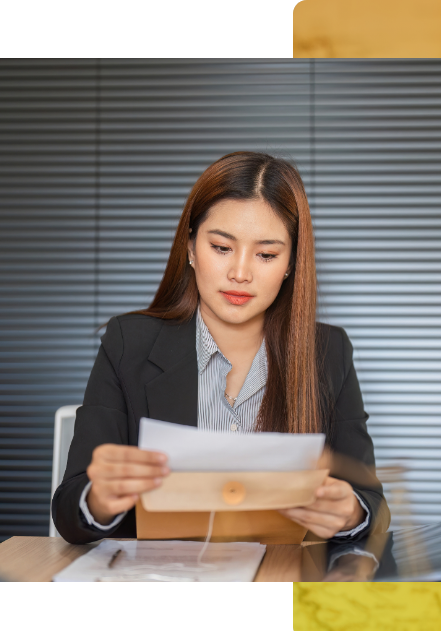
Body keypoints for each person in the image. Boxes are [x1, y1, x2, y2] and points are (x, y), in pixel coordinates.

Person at [52, 151, 389, 544]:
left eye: (266, 254)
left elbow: (373, 507)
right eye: (222, 247)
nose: (240, 273)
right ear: (191, 248)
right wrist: (99, 499)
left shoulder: (328, 353)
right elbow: (68, 509)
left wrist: (350, 512)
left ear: (291, 264)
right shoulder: (129, 343)